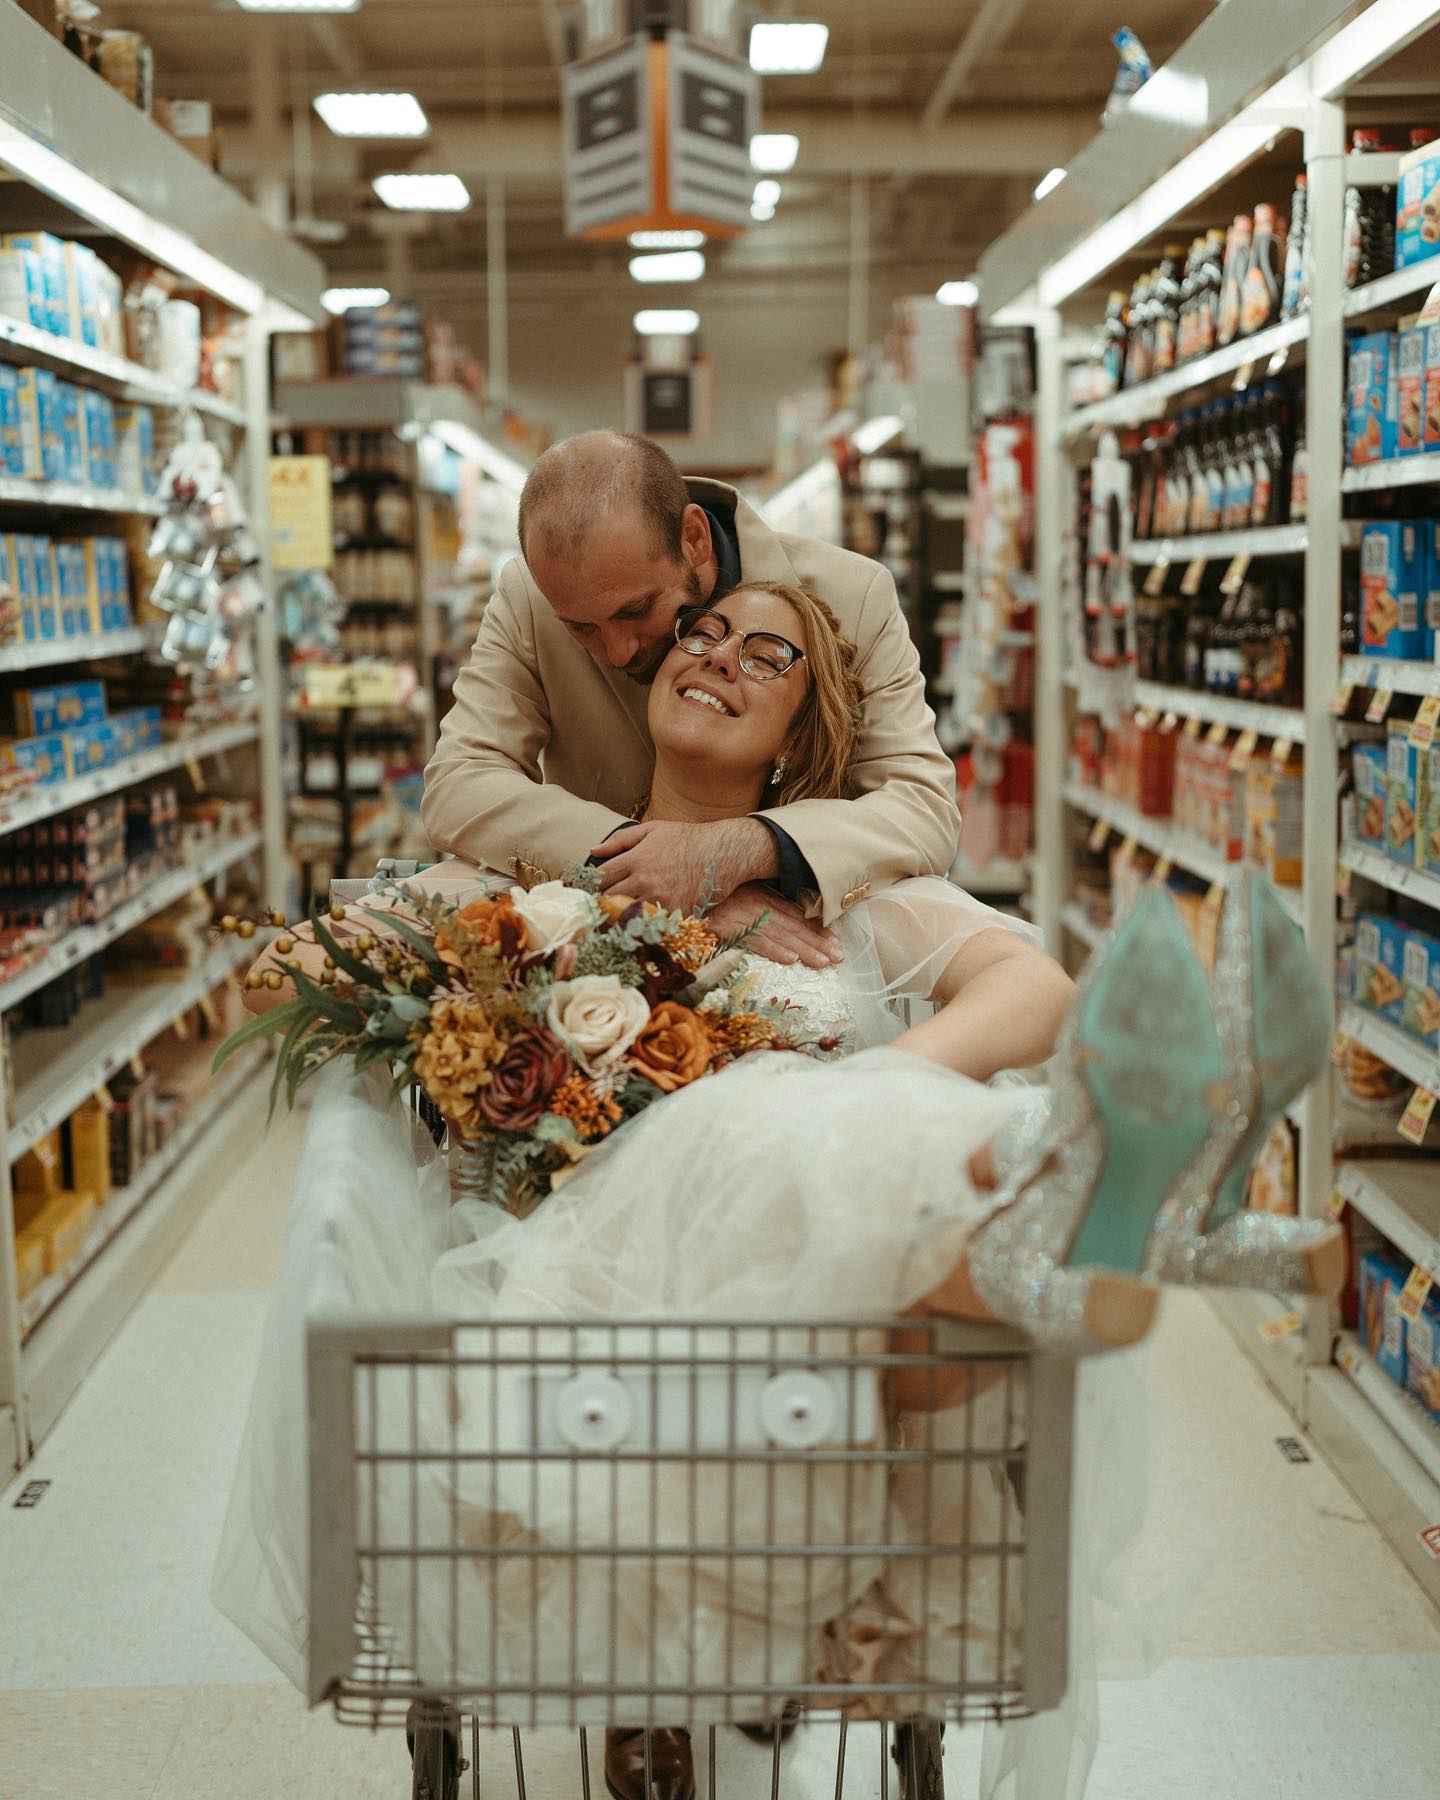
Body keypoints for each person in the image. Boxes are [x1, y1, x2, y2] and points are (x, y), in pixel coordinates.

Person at [217, 582, 1340, 1800]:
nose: (720, 659)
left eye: (769, 655)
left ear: (802, 736)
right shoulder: (530, 884)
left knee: (835, 1132)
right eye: (698, 637)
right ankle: (1123, 1210)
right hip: (589, 1316)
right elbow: (275, 987)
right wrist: (454, 950)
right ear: (649, 683)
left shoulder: (845, 899)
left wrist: (849, 1095)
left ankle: (1055, 1204)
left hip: (814, 1352)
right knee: (802, 1141)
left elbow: (1038, 993)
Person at [421, 431, 962, 972]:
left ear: (695, 539)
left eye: (637, 610)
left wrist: (738, 853)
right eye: (581, 628)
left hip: (800, 957)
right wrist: (643, 873)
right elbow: (460, 781)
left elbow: (921, 808)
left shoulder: (855, 596)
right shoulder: (530, 596)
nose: (617, 650)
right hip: (598, 965)